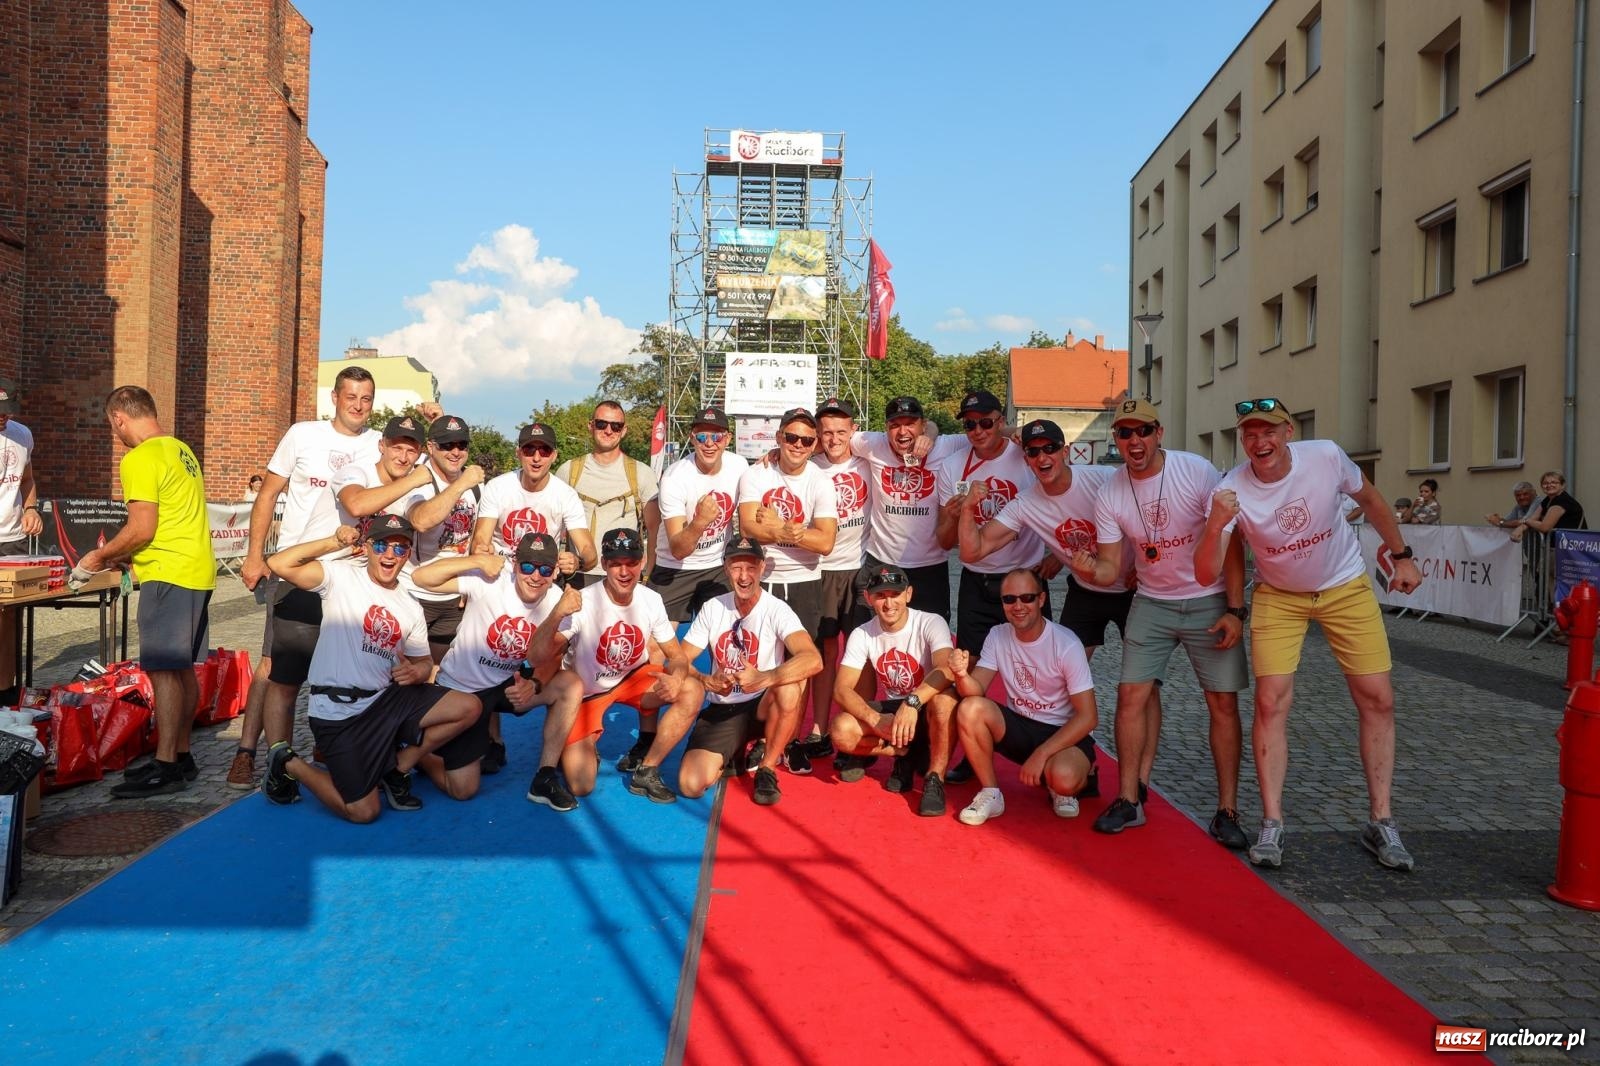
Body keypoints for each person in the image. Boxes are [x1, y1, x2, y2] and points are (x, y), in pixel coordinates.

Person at [1196, 397, 1424, 871]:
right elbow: (1204, 574)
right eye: (1250, 434)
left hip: (1345, 585)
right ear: (1243, 440)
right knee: (1270, 701)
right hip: (1280, 596)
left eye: (1269, 432)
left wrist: (1401, 554)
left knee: (1377, 698)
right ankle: (1272, 822)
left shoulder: (1325, 456)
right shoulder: (1230, 488)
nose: (1260, 442)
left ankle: (1381, 819)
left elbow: (1371, 500)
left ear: (1288, 433)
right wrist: (1217, 523)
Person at [1067, 398, 1249, 848]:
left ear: (1159, 433)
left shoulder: (1196, 471)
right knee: (1130, 695)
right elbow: (1111, 569)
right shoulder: (1111, 492)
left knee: (1222, 704)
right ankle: (1129, 799)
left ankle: (1227, 809)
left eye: (1143, 431)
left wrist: (1235, 608)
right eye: (1125, 433)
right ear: (1117, 440)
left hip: (1208, 600)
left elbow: (1232, 543)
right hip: (1151, 600)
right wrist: (1086, 567)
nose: (1135, 441)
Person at [960, 416, 1166, 800]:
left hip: (1134, 589)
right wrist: (969, 509)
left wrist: (1145, 563)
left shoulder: (1100, 480)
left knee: (1144, 688)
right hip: (1085, 589)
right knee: (1068, 673)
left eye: (1050, 449)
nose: (1042, 457)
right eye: (1033, 452)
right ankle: (1068, 754)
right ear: (1026, 458)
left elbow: (1146, 516)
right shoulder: (1026, 504)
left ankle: (1141, 778)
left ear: (1065, 451)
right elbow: (973, 551)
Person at [260, 514, 482, 822]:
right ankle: (287, 761)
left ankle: (400, 765)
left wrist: (418, 671)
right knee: (363, 812)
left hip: (384, 701)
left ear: (407, 555)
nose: (390, 554)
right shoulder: (341, 577)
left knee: (469, 706)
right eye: (381, 545)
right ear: (366, 548)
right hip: (338, 712)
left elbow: (422, 661)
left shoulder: (410, 605)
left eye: (400, 548)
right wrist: (333, 542)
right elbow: (280, 564)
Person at [232, 365, 380, 790]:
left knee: (345, 661)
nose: (357, 405)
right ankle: (248, 752)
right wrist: (255, 554)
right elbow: (269, 493)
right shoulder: (303, 434)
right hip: (295, 567)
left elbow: (425, 458)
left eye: (366, 398)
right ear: (334, 397)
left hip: (350, 570)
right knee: (274, 665)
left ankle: (325, 744)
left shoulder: (377, 443)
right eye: (350, 396)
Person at [79, 387, 217, 798]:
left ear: (120, 418)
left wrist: (98, 558)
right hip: (197, 569)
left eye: (112, 426)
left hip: (169, 572)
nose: (115, 433)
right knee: (181, 667)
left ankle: (167, 764)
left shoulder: (139, 457)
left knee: (162, 669)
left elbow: (143, 528)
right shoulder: (181, 450)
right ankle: (182, 754)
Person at [527, 528, 703, 803]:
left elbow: (677, 656)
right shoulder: (584, 601)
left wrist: (677, 678)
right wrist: (557, 613)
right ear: (605, 565)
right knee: (581, 785)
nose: (624, 571)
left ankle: (648, 768)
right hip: (587, 693)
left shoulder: (651, 599)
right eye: (616, 564)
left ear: (642, 562)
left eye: (631, 563)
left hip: (632, 680)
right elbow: (536, 658)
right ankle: (576, 741)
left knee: (692, 690)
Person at [411, 532, 584, 809]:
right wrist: (476, 560)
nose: (535, 576)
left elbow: (542, 656)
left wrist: (536, 683)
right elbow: (421, 578)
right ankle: (422, 756)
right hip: (460, 688)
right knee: (464, 789)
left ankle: (545, 777)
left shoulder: (559, 601)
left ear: (553, 573)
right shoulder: (490, 580)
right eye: (527, 566)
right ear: (515, 565)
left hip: (505, 684)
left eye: (545, 569)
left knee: (570, 684)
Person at [633, 406, 748, 772]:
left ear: (727, 439)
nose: (709, 442)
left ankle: (722, 723)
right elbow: (680, 545)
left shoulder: (739, 466)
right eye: (702, 435)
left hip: (716, 567)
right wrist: (700, 522)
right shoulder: (676, 477)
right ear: (691, 438)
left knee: (728, 642)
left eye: (716, 435)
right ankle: (646, 735)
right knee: (655, 649)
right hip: (675, 566)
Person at [675, 535, 822, 806]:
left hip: (762, 705)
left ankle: (767, 767)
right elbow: (680, 659)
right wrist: (706, 680)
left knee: (790, 685)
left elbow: (813, 659)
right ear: (725, 568)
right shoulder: (713, 608)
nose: (744, 576)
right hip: (723, 708)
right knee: (690, 785)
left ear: (762, 568)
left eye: (751, 567)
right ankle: (733, 752)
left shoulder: (777, 609)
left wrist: (765, 678)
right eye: (736, 567)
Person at [952, 568, 1099, 826]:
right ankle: (990, 792)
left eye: (1026, 598)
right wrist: (962, 674)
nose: (1018, 606)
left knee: (1064, 779)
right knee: (969, 707)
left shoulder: (1066, 644)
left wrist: (1042, 753)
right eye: (1009, 599)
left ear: (1041, 599)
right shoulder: (998, 635)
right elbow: (976, 690)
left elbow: (1088, 717)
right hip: (1019, 726)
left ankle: (1074, 777)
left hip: (1061, 734)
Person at [736, 406, 837, 772]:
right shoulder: (756, 473)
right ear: (779, 437)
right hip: (763, 578)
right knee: (760, 658)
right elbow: (750, 527)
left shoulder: (820, 480)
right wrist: (790, 532)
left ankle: (791, 739)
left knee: (801, 665)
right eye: (791, 437)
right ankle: (761, 738)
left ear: (814, 446)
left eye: (806, 440)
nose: (798, 445)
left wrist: (784, 529)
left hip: (805, 581)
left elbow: (825, 542)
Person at [830, 563, 960, 817]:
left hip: (922, 705)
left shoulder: (931, 622)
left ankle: (935, 780)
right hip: (893, 710)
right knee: (841, 730)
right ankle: (901, 752)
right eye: (881, 596)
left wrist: (912, 704)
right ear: (868, 599)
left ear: (908, 594)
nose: (889, 604)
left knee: (946, 701)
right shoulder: (862, 633)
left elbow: (946, 669)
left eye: (895, 595)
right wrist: (876, 720)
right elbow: (841, 689)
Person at [935, 388, 1044, 654]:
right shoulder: (951, 466)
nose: (978, 431)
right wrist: (951, 517)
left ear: (1001, 421)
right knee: (970, 661)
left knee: (1035, 660)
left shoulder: (1026, 455)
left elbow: (1059, 503)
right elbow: (944, 541)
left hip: (1024, 576)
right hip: (977, 580)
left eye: (985, 422)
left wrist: (1058, 557)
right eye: (970, 424)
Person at [801, 395, 872, 765]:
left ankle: (859, 733)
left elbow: (926, 437)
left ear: (853, 430)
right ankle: (819, 729)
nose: (833, 438)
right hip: (821, 571)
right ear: (817, 434)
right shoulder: (809, 467)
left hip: (860, 568)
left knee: (861, 654)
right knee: (825, 653)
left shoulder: (869, 461)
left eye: (840, 430)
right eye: (826, 432)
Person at [848, 396, 960, 619]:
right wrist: (777, 454)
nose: (902, 432)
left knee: (931, 637)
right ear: (885, 429)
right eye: (895, 425)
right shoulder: (873, 444)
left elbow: (989, 437)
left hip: (930, 566)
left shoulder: (945, 446)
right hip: (881, 560)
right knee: (874, 637)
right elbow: (832, 436)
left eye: (910, 424)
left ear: (923, 425)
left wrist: (1018, 435)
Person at [403, 414, 487, 663]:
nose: (455, 451)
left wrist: (470, 582)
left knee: (438, 673)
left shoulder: (476, 486)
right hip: (415, 592)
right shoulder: (419, 479)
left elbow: (474, 537)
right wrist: (460, 484)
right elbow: (421, 520)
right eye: (446, 445)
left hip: (452, 597)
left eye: (462, 445)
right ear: (431, 447)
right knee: (403, 672)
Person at [555, 400, 660, 587]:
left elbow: (654, 530)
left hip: (623, 574)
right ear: (591, 426)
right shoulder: (568, 471)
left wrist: (647, 574)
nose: (608, 431)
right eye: (602, 424)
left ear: (624, 430)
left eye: (616, 426)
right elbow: (552, 525)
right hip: (579, 574)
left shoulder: (641, 474)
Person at [472, 422, 595, 574]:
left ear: (554, 456)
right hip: (500, 576)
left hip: (541, 579)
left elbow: (589, 552)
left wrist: (577, 562)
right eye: (529, 450)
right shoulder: (496, 487)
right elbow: (480, 539)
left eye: (545, 451)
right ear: (518, 453)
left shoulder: (566, 495)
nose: (536, 458)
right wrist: (482, 550)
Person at [0, 378, 43, 557]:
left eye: (7, 411)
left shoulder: (23, 434)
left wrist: (31, 509)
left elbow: (26, 479)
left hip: (14, 539)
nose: (3, 416)